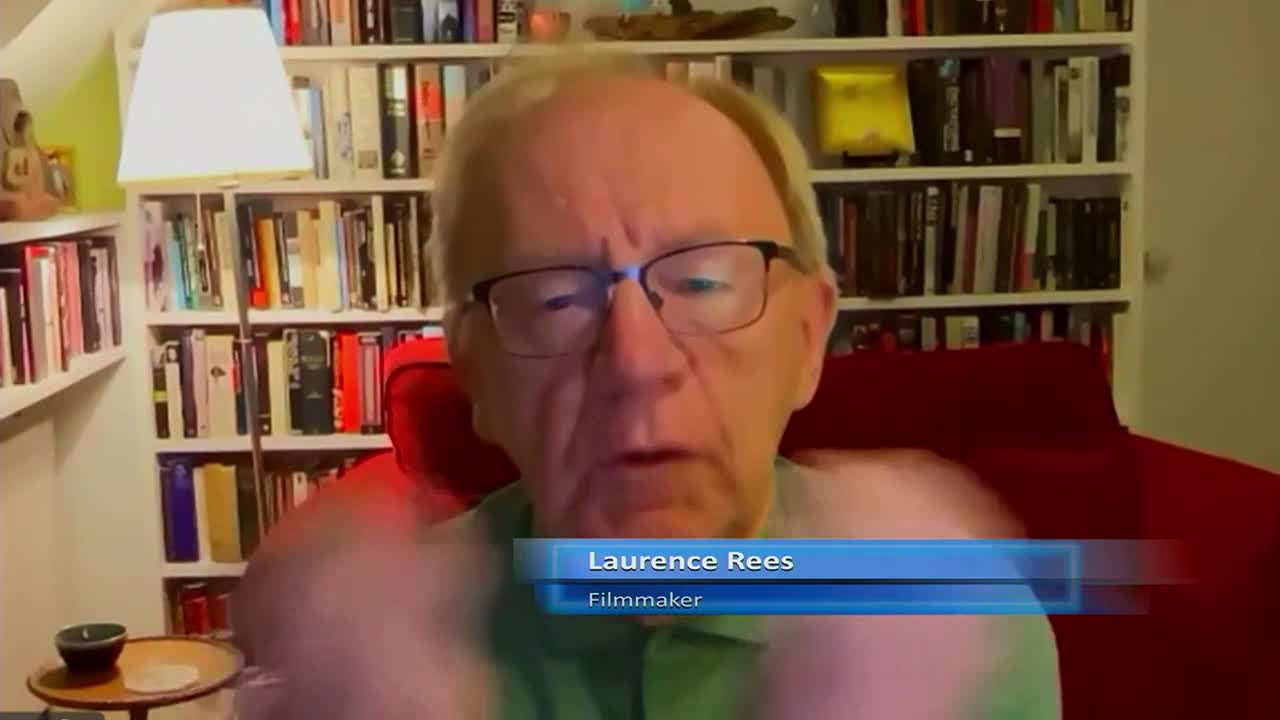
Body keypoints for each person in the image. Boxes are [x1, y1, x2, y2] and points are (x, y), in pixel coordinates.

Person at [235, 50, 1061, 720]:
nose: (636, 362)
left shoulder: (956, 626)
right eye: (555, 301)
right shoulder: (374, 656)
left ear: (808, 340)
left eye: (704, 283)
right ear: (476, 374)